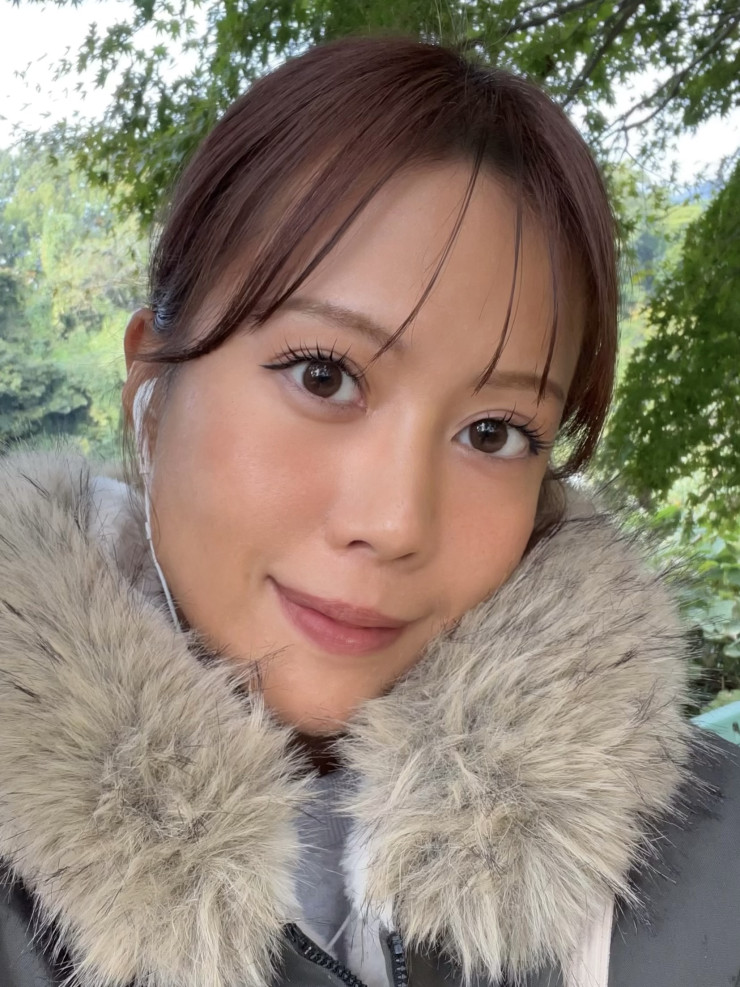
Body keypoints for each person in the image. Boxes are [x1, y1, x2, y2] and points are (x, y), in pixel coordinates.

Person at [0, 35, 737, 987]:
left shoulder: (708, 867)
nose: (394, 522)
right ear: (151, 381)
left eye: (494, 432)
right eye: (324, 375)